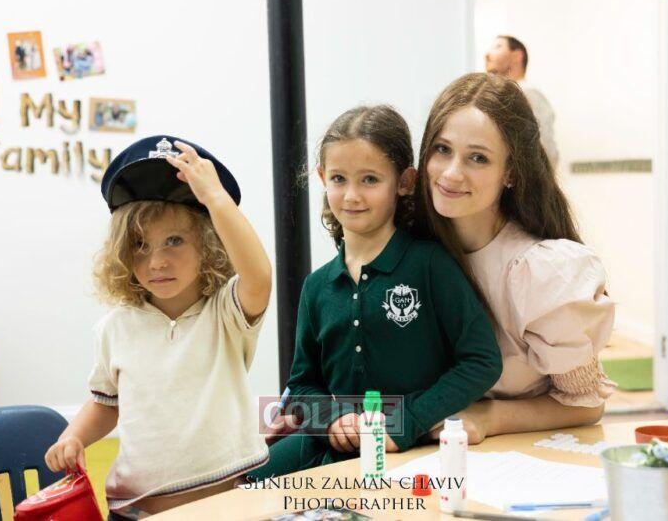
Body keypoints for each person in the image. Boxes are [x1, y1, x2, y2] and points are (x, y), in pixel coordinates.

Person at [248, 105, 502, 479]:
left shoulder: (430, 264)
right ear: (322, 177)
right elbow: (301, 384)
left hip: (412, 447)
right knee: (249, 482)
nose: (352, 196)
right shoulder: (316, 287)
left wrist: (408, 422)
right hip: (329, 445)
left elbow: (482, 361)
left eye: (369, 180)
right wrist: (332, 419)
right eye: (339, 179)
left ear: (404, 182)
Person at [44, 135, 272, 519]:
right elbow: (106, 403)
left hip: (224, 505)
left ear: (209, 245)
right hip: (135, 509)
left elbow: (259, 275)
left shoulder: (226, 313)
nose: (157, 262)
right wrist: (74, 436)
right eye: (140, 245)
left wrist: (215, 198)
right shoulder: (115, 327)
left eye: (174, 240)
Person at [415, 73, 615, 443]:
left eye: (478, 158)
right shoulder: (411, 248)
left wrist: (487, 418)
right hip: (418, 454)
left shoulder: (538, 271)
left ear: (510, 172)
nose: (451, 173)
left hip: (520, 458)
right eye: (442, 149)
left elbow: (586, 405)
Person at [485, 35, 559, 166]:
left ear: (517, 56)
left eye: (497, 47)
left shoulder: (528, 93)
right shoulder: (498, 95)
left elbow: (546, 149)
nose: (487, 55)